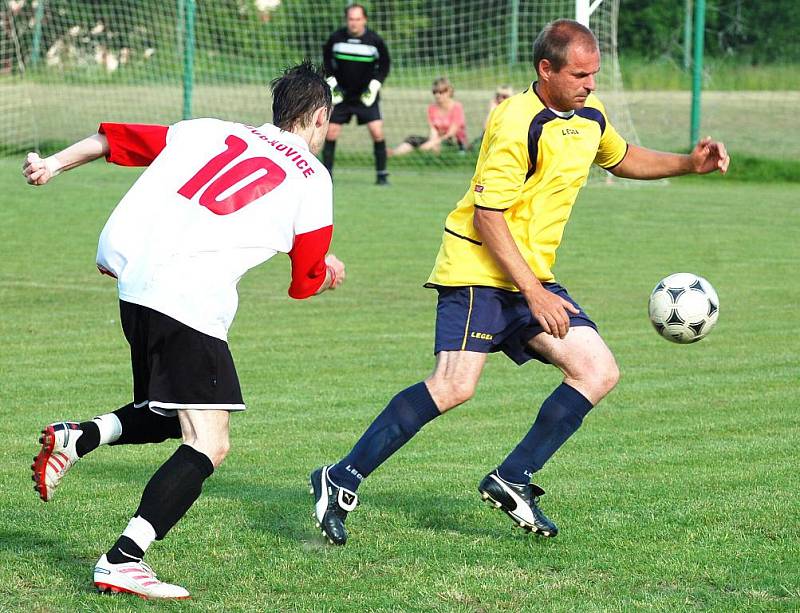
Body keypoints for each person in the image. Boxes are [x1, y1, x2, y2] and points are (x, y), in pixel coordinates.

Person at [310, 19, 729, 546]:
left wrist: (689, 164)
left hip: (530, 275)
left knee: (597, 370)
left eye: (594, 74)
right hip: (477, 270)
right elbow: (488, 215)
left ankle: (513, 477)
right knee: (454, 386)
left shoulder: (589, 117)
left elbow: (622, 159)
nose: (590, 84)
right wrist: (535, 292)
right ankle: (340, 477)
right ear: (545, 70)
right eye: (579, 74)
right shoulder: (515, 122)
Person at [24, 60, 345, 599]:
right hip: (188, 300)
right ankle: (123, 559)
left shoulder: (211, 130)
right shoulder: (313, 177)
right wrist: (325, 270)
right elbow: (304, 282)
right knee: (209, 442)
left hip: (137, 287)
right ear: (317, 116)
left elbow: (116, 140)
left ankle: (78, 437)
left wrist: (53, 165)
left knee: (169, 413)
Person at [322, 3, 391, 184]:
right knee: (331, 132)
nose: (354, 23)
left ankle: (382, 175)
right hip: (342, 95)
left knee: (377, 131)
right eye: (351, 19)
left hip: (365, 95)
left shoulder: (375, 40)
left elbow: (385, 65)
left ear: (364, 20)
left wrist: (374, 85)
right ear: (347, 20)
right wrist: (332, 84)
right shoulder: (336, 38)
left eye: (358, 19)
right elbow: (326, 62)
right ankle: (327, 176)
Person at [390, 77, 468, 157]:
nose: (437, 95)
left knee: (430, 146)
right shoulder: (432, 108)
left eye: (441, 92)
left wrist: (434, 143)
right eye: (435, 92)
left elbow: (451, 133)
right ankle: (393, 153)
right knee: (412, 139)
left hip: (453, 141)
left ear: (448, 92)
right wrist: (432, 141)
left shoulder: (457, 107)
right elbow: (433, 129)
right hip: (437, 139)